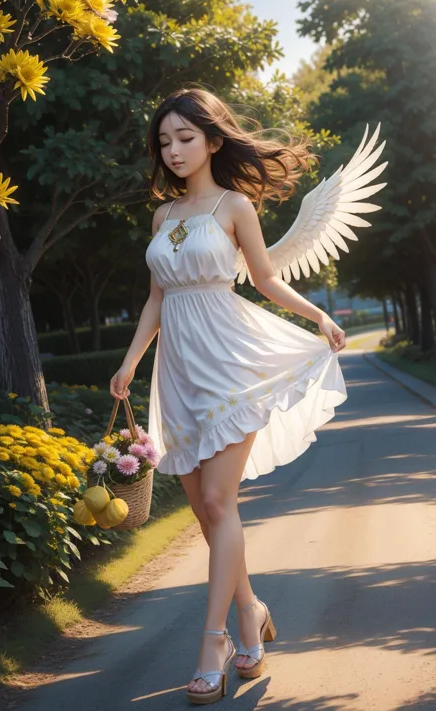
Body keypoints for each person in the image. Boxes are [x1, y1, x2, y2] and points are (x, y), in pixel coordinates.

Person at [110, 87, 347, 704]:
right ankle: (252, 612)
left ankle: (213, 640)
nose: (174, 150)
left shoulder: (235, 205)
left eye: (186, 138)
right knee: (205, 510)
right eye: (165, 141)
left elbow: (264, 279)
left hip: (231, 359)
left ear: (214, 141)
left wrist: (318, 316)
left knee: (220, 500)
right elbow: (158, 297)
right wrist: (130, 362)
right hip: (179, 369)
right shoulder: (162, 217)